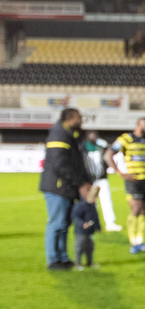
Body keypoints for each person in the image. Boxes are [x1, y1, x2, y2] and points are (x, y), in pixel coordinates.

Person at [40, 107, 91, 270]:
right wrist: (81, 183)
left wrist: (85, 181)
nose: (81, 121)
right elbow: (61, 164)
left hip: (66, 187)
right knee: (56, 224)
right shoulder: (58, 134)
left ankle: (62, 258)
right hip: (58, 187)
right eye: (79, 118)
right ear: (69, 119)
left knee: (63, 224)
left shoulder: (69, 135)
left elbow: (76, 163)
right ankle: (53, 259)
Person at [105, 117, 145, 254]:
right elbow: (108, 155)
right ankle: (133, 243)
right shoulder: (126, 139)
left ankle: (140, 241)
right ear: (139, 125)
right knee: (136, 209)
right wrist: (119, 172)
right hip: (133, 180)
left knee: (144, 211)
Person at [83, 131, 121, 232]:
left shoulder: (100, 146)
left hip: (102, 178)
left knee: (106, 200)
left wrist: (102, 143)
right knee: (91, 202)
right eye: (92, 136)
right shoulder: (83, 147)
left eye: (96, 136)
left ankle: (110, 223)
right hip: (90, 179)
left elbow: (113, 150)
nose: (94, 138)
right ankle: (92, 222)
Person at [71, 183, 101, 269]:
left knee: (90, 248)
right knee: (79, 247)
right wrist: (83, 224)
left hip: (90, 231)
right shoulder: (80, 206)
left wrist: (98, 227)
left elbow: (95, 217)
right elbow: (75, 217)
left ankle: (90, 262)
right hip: (81, 232)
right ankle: (78, 263)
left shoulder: (92, 206)